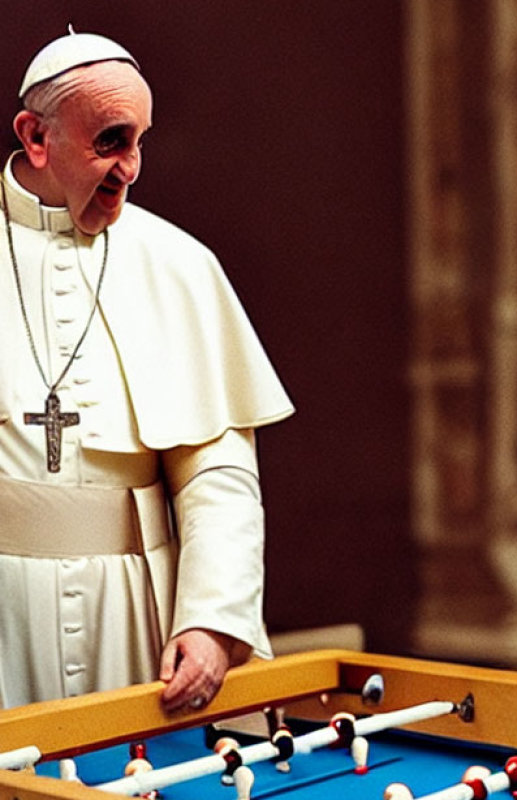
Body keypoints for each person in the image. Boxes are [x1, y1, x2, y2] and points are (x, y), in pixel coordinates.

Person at [0, 30, 294, 711]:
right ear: (35, 138)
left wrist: (213, 620)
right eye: (110, 140)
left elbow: (218, 475)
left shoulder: (180, 266)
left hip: (133, 617)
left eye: (141, 141)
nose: (132, 167)